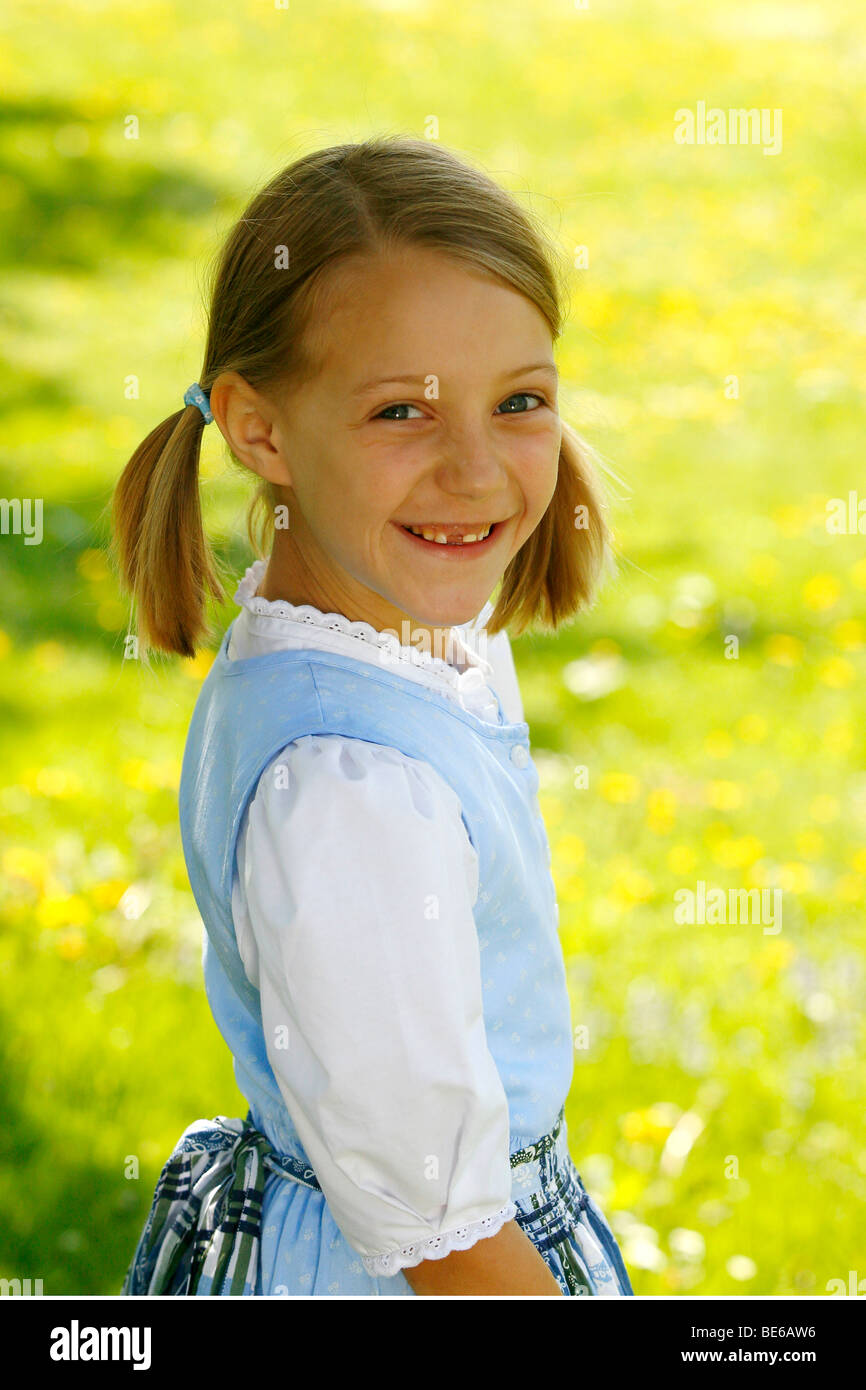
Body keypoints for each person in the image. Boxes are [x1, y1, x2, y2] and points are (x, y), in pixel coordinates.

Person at [112, 134, 634, 1298]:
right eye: (401, 410)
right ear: (259, 430)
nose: (476, 470)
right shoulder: (347, 785)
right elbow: (445, 1242)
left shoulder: (411, 635)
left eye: (518, 403)